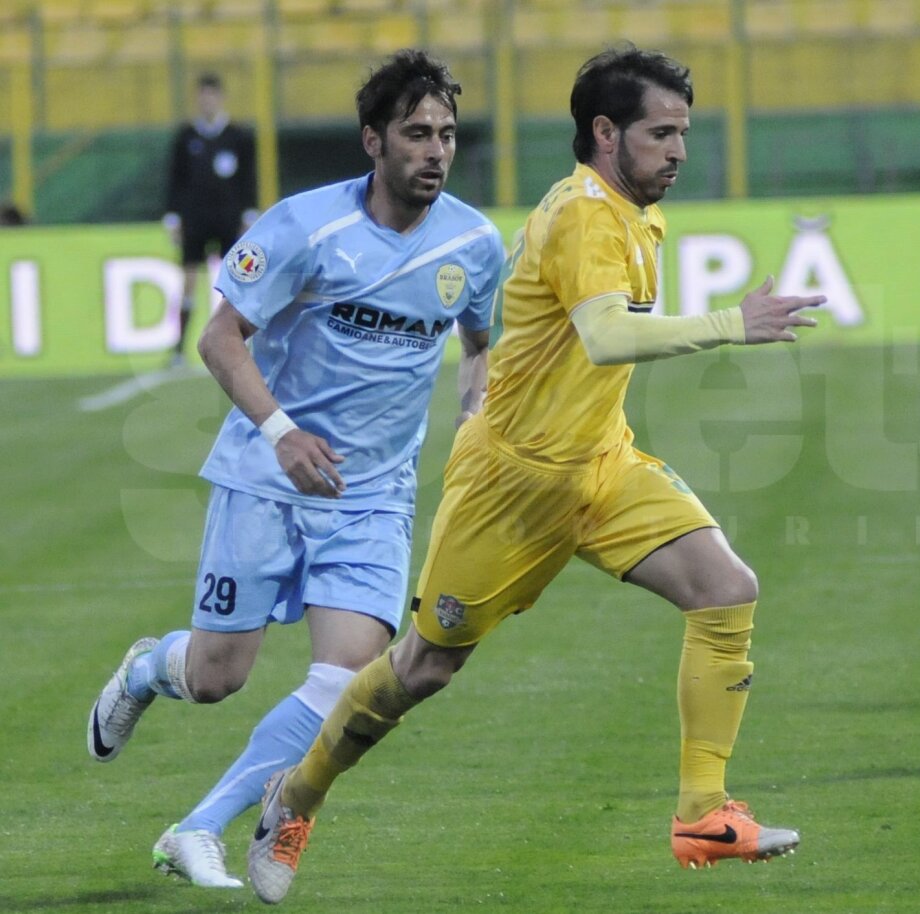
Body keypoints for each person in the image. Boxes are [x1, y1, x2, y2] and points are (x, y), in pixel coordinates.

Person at [246, 44, 825, 905]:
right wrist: (733, 323)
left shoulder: (632, 211)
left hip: (601, 464)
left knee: (725, 589)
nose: (678, 151)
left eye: (683, 133)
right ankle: (295, 797)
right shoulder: (585, 217)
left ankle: (703, 812)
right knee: (422, 669)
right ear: (606, 133)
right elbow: (608, 336)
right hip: (511, 489)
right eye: (661, 134)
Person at [87, 49, 504, 890]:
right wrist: (281, 432)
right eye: (416, 134)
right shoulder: (304, 227)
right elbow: (219, 339)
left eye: (447, 134)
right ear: (373, 141)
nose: (435, 151)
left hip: (373, 496)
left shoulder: (475, 243)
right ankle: (147, 668)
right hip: (265, 479)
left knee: (347, 679)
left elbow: (479, 346)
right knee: (217, 678)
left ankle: (198, 827)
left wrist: (472, 421)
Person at [163, 72, 259, 368]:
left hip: (228, 217)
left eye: (212, 95)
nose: (207, 101)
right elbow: (176, 179)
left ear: (220, 98)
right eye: (202, 96)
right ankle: (179, 349)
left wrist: (249, 212)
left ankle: (242, 345)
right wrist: (172, 216)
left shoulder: (238, 136)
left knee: (237, 283)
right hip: (195, 218)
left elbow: (248, 178)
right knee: (189, 281)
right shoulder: (186, 137)